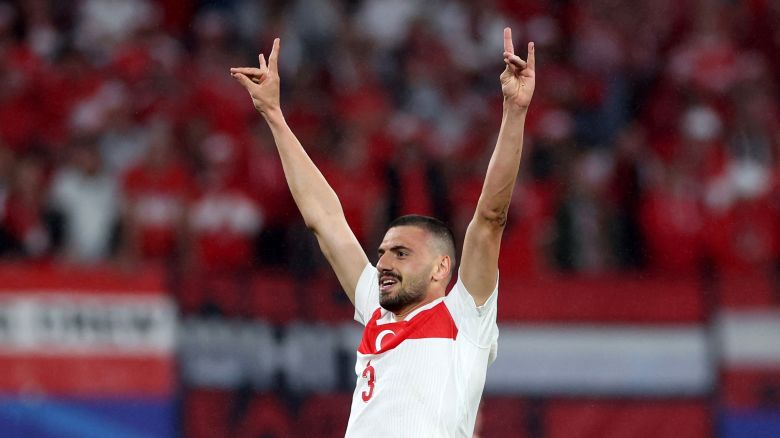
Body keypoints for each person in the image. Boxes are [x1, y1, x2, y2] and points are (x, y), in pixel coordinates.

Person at [231, 27, 535, 438]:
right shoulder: (376, 305)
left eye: (401, 253)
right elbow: (326, 220)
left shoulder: (465, 316)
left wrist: (514, 114)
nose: (384, 262)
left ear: (441, 268)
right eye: (384, 252)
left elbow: (489, 217)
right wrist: (274, 116)